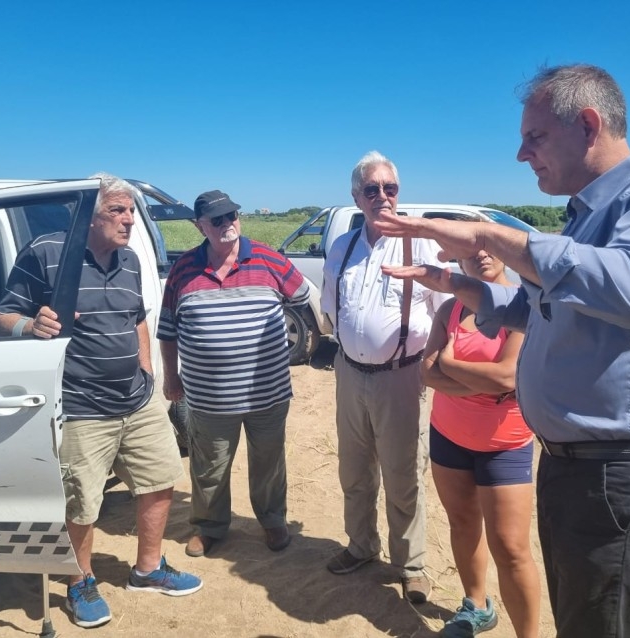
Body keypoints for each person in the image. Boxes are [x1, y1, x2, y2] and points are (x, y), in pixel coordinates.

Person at [377, 64, 630, 638]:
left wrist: (486, 236)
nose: (520, 155)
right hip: (577, 466)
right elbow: (539, 309)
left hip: (623, 473)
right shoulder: (583, 221)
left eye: (534, 137)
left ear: (588, 124)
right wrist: (455, 284)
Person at [0, 173, 202, 629]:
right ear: (90, 216)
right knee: (82, 502)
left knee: (161, 478)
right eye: (118, 211)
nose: (129, 220)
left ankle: (148, 570)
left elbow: (137, 319)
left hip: (137, 398)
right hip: (82, 405)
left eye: (130, 211)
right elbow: (0, 314)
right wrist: (28, 327)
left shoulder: (127, 260)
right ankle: (80, 581)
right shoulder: (48, 253)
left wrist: (146, 368)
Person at [321, 151, 448, 604]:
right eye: (371, 189)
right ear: (356, 197)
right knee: (354, 469)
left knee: (402, 472)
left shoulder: (421, 246)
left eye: (389, 188)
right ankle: (360, 546)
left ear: (399, 192)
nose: (382, 196)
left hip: (401, 377)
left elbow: (443, 317)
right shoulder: (343, 247)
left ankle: (411, 564)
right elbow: (329, 312)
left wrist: (430, 369)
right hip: (350, 374)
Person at [158, 189, 309, 558]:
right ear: (199, 226)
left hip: (268, 395)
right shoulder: (183, 270)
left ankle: (273, 520)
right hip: (209, 399)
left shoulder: (267, 258)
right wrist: (171, 377)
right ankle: (209, 527)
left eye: (232, 216)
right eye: (217, 220)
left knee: (269, 462)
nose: (228, 225)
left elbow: (303, 296)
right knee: (209, 466)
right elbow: (167, 329)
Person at [423, 244, 539, 637]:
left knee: (511, 548)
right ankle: (476, 606)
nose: (482, 256)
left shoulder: (523, 306)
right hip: (448, 436)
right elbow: (426, 373)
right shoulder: (450, 309)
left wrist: (452, 365)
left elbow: (508, 377)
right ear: (459, 261)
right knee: (462, 523)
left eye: (489, 248)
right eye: (471, 251)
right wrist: (480, 386)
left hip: (504, 444)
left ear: (505, 253)